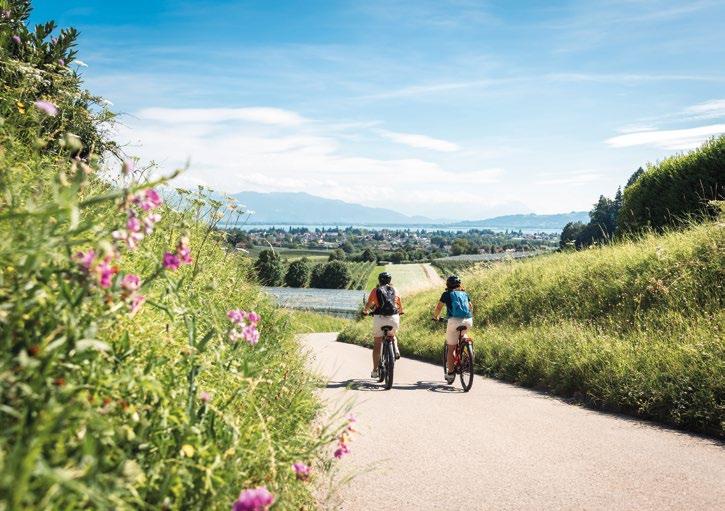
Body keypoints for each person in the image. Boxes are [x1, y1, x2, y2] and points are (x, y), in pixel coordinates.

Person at [433, 275, 473, 384]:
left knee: (451, 349)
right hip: (468, 320)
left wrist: (435, 317)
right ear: (459, 284)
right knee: (463, 335)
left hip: (454, 321)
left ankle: (450, 374)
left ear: (447, 285)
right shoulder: (465, 293)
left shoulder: (446, 294)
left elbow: (439, 308)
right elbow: (470, 307)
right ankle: (468, 354)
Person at [363, 271, 403, 378]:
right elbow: (399, 305)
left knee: (377, 344)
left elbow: (369, 304)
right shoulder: (395, 290)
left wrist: (365, 311)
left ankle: (375, 371)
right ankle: (396, 350)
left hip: (379, 318)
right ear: (390, 280)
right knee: (392, 334)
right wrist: (401, 312)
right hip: (394, 318)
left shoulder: (376, 290)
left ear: (379, 280)